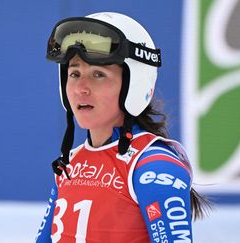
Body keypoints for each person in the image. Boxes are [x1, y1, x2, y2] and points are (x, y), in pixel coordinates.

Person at [35, 12, 210, 243]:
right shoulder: (70, 164)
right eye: (74, 73)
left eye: (98, 74)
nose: (81, 88)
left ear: (134, 85)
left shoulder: (154, 168)